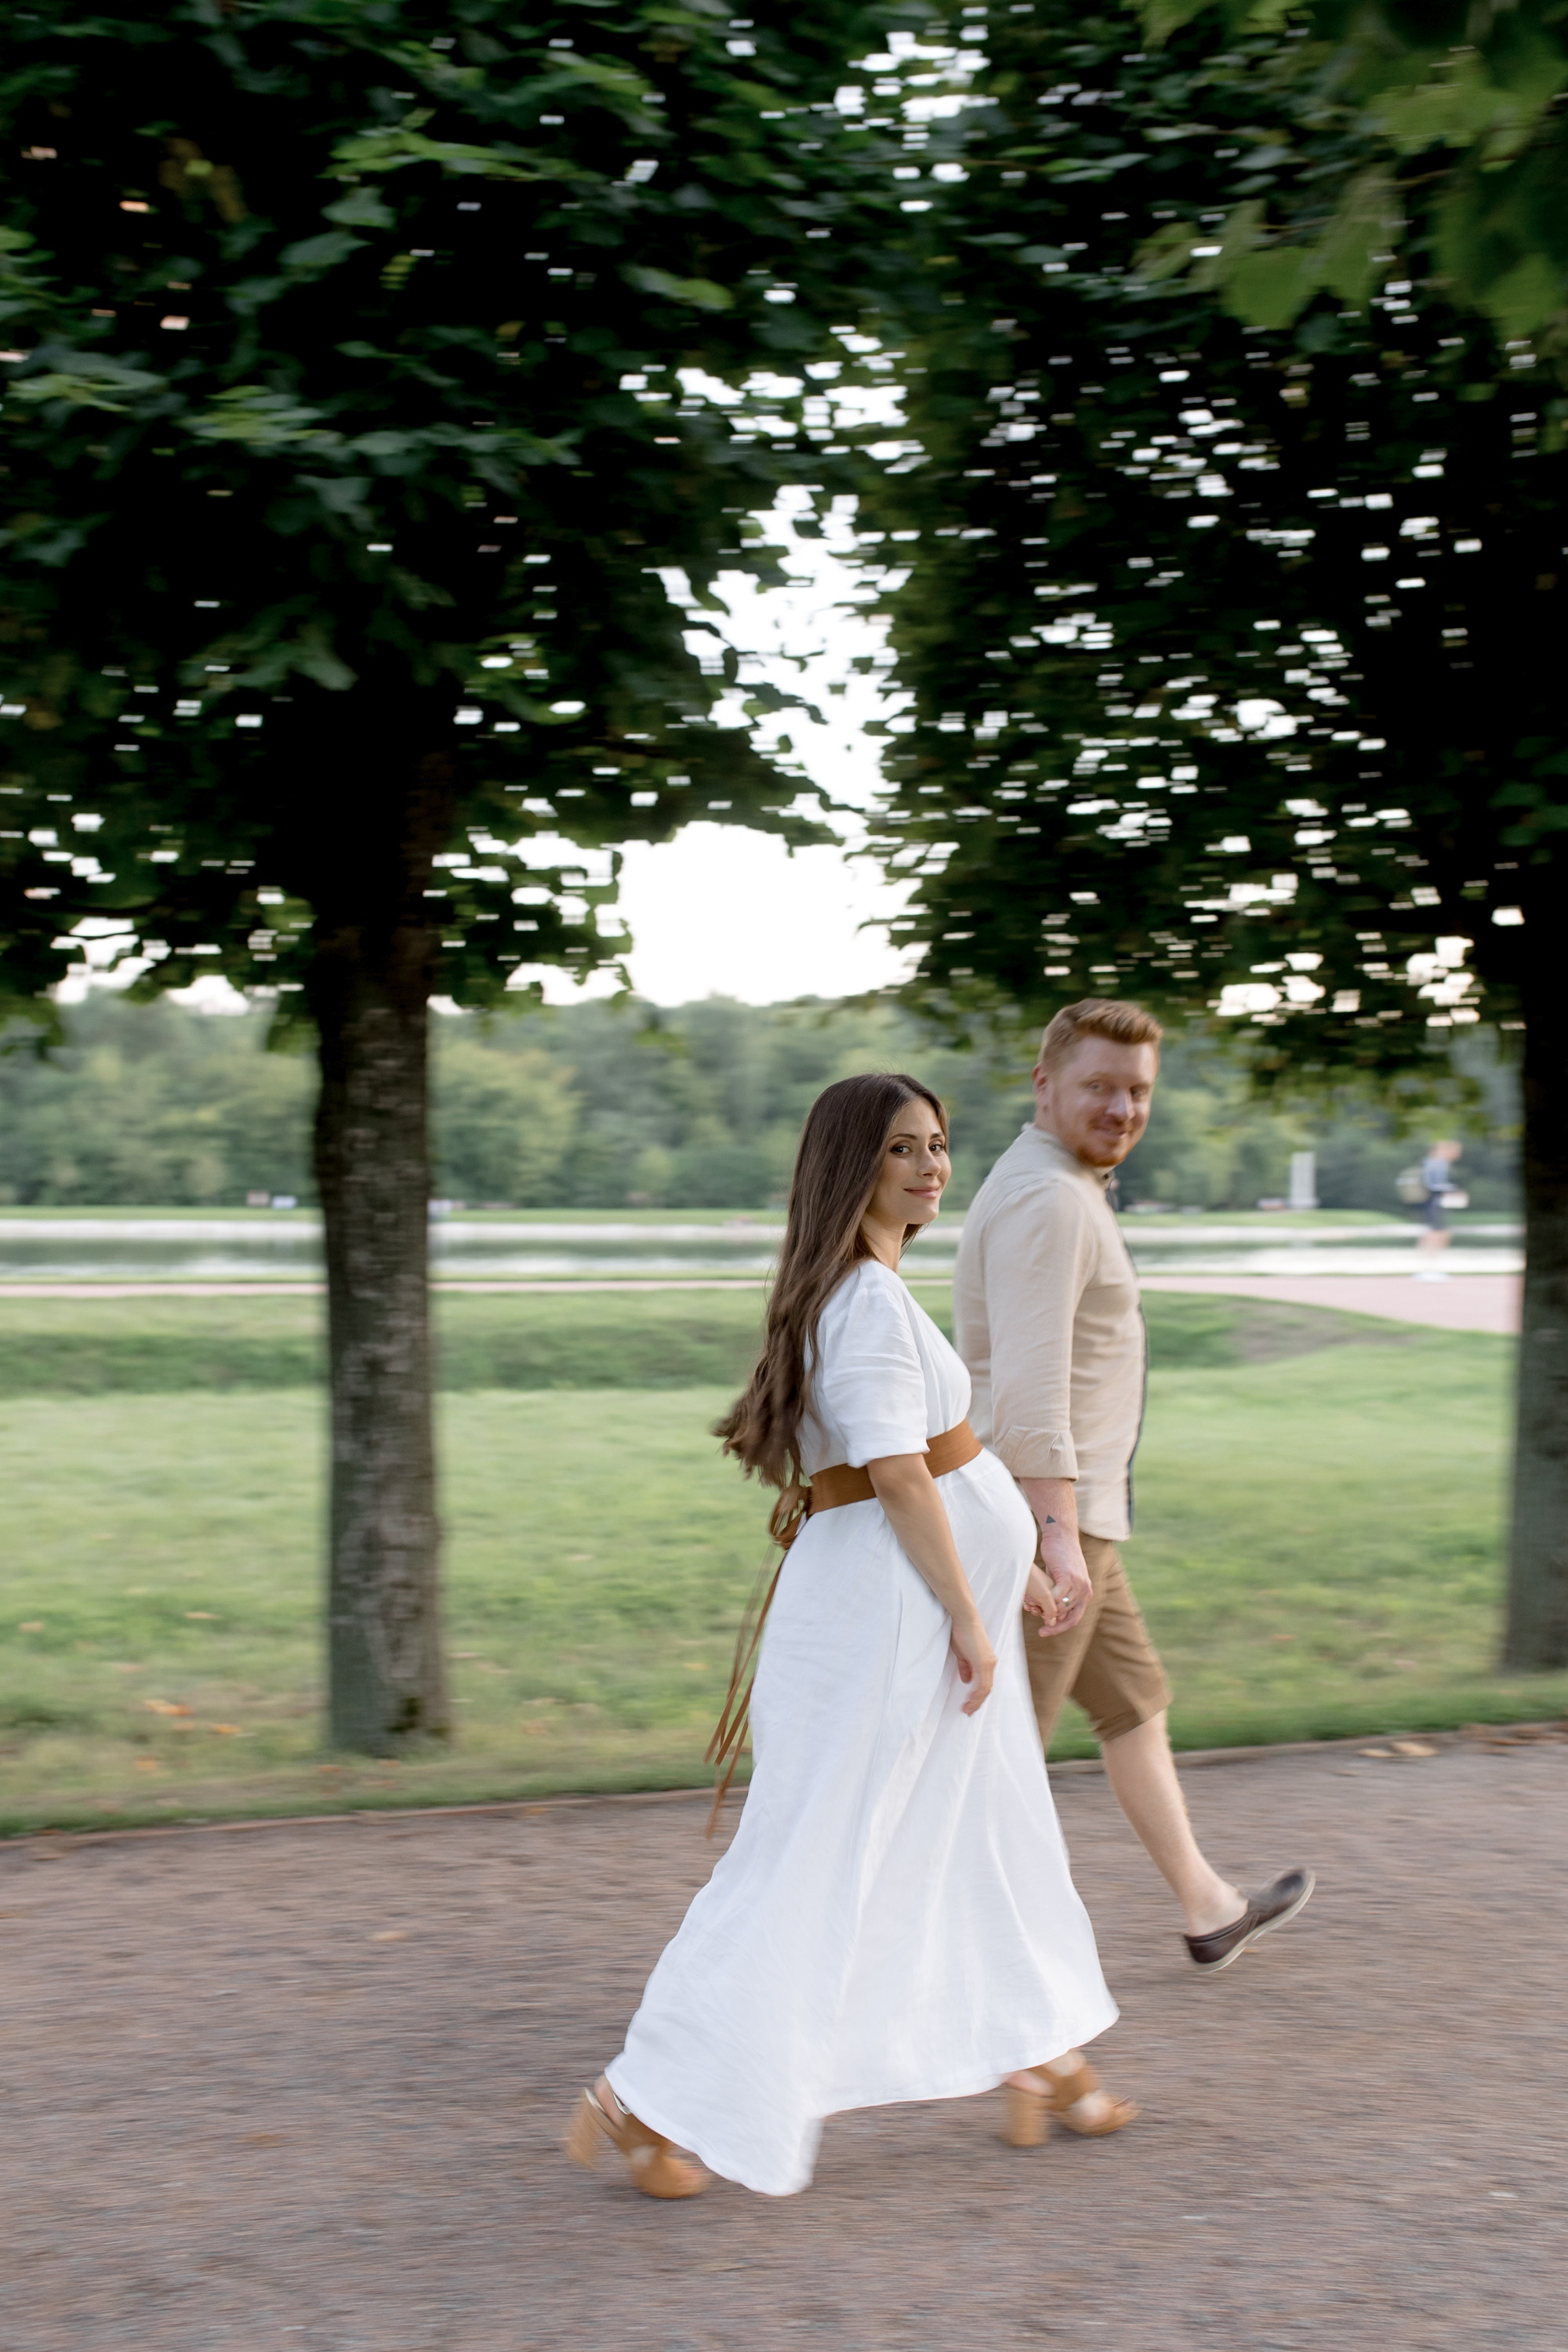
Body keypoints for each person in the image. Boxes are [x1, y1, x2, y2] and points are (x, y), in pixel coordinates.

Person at [566, 1073, 1133, 2201]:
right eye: (899, 1149)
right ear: (850, 1167)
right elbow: (898, 1477)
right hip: (891, 1627)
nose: (930, 1168)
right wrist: (969, 1616)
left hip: (908, 1612)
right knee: (814, 1860)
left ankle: (1042, 2052)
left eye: (937, 1144)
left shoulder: (869, 1288)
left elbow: (942, 1471)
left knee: (979, 1833)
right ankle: (643, 2100)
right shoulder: (863, 1301)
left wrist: (1015, 1571)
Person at [954, 1000, 1314, 1973]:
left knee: (1132, 1703)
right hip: (1046, 1521)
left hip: (1077, 1515)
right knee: (993, 1762)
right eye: (1099, 1087)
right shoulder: (1049, 1199)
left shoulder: (1061, 1182)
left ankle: (1208, 1906)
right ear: (1044, 1085)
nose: (1121, 1109)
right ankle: (982, 1988)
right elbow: (1030, 1387)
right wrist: (1052, 1536)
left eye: (1137, 1090)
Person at [1415, 1138, 1464, 1280]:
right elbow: (1432, 1184)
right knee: (1436, 1234)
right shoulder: (1437, 1163)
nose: (1457, 1155)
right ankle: (1429, 1269)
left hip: (1432, 1203)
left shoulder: (1430, 1162)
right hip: (1433, 1203)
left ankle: (1429, 1267)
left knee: (1437, 1233)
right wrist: (1454, 1190)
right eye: (1455, 1151)